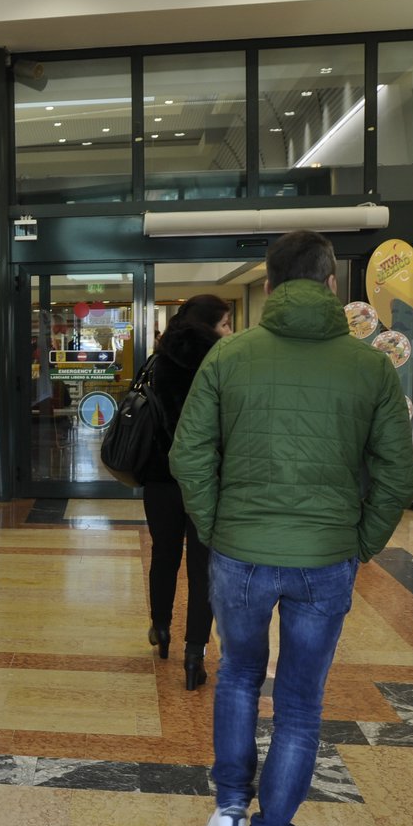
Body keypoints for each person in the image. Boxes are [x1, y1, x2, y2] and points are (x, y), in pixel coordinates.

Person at [170, 230, 413, 826]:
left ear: (270, 286)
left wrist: (219, 526)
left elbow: (187, 454)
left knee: (239, 678)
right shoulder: (368, 368)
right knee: (301, 703)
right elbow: (397, 470)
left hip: (239, 555)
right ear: (333, 287)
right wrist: (364, 539)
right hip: (326, 557)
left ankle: (229, 809)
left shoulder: (230, 356)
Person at [140, 294, 231, 690]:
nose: (230, 331)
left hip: (161, 479)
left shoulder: (159, 360)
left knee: (163, 555)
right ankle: (195, 654)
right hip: (205, 481)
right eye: (226, 324)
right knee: (201, 568)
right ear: (208, 325)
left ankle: (161, 629)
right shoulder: (223, 364)